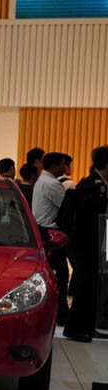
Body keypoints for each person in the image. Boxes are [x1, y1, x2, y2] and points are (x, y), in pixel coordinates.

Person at [61, 146, 108, 342]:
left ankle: (87, 326)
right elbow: (86, 221)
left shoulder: (95, 184)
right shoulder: (92, 187)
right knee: (85, 284)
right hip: (85, 244)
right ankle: (74, 328)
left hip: (94, 243)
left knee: (91, 284)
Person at [32, 152, 72, 324]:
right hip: (52, 233)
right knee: (61, 275)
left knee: (54, 273)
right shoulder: (52, 184)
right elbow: (66, 207)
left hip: (43, 230)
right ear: (55, 166)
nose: (65, 167)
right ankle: (61, 313)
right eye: (63, 164)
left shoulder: (42, 180)